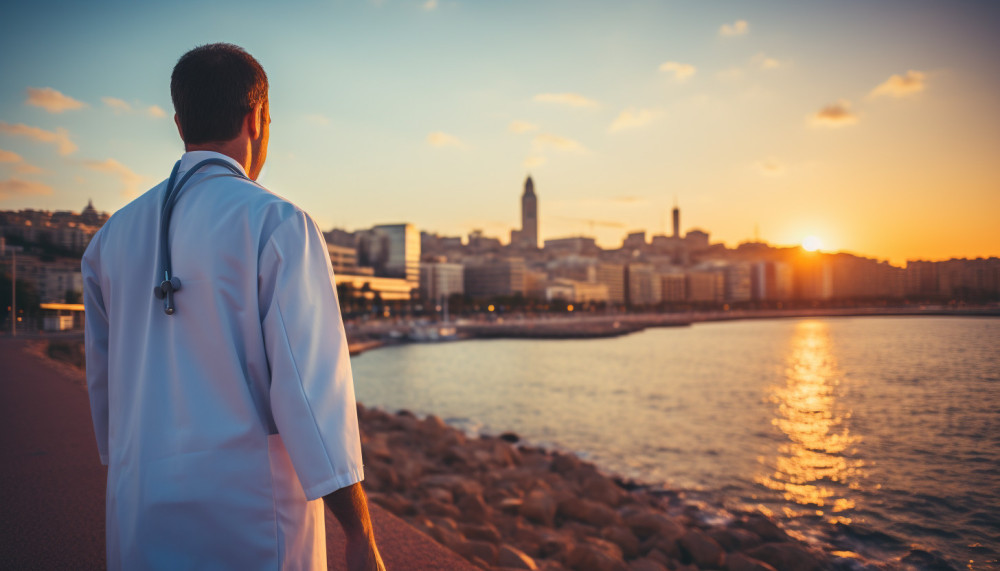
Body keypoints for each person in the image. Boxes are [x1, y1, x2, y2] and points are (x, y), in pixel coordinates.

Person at [82, 43, 385, 570]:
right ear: (258, 117)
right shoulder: (278, 224)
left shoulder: (109, 239)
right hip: (249, 524)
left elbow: (105, 394)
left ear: (179, 124)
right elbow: (313, 397)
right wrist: (359, 534)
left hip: (138, 511)